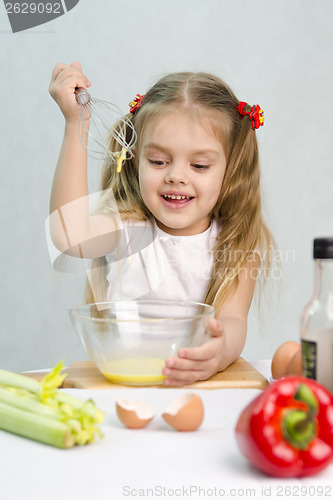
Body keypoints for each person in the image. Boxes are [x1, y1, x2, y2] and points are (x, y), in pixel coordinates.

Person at [48, 62, 274, 386]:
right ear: (135, 158)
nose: (176, 176)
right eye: (158, 161)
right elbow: (68, 235)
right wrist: (75, 124)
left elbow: (234, 321)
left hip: (195, 390)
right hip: (126, 383)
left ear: (231, 169)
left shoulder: (234, 245)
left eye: (199, 165)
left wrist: (220, 351)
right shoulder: (127, 231)